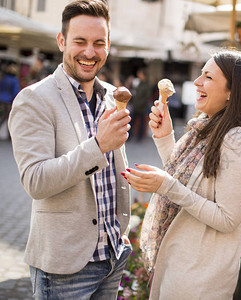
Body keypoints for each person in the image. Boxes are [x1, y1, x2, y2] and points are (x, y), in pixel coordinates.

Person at [8, 1, 132, 299]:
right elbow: (36, 181)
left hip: (112, 255)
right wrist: (99, 145)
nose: (90, 52)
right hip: (65, 266)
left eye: (98, 43)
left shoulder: (112, 98)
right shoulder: (34, 99)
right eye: (80, 41)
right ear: (62, 41)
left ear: (107, 45)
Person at [123, 49, 241, 299]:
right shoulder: (205, 127)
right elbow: (186, 178)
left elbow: (227, 219)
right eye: (200, 74)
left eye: (208, 77)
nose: (198, 83)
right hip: (181, 264)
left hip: (201, 278)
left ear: (232, 91)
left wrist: (166, 186)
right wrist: (164, 137)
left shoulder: (236, 139)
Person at [130, 68, 154, 141]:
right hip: (135, 106)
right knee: (132, 121)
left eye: (140, 74)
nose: (139, 75)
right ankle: (130, 136)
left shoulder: (147, 85)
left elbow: (147, 97)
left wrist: (139, 104)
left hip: (142, 107)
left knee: (141, 123)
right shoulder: (139, 83)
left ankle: (139, 137)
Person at [0, 63, 20, 137]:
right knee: (9, 117)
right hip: (8, 100)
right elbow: (15, 91)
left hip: (1, 99)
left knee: (3, 116)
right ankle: (9, 134)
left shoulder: (4, 78)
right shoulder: (14, 80)